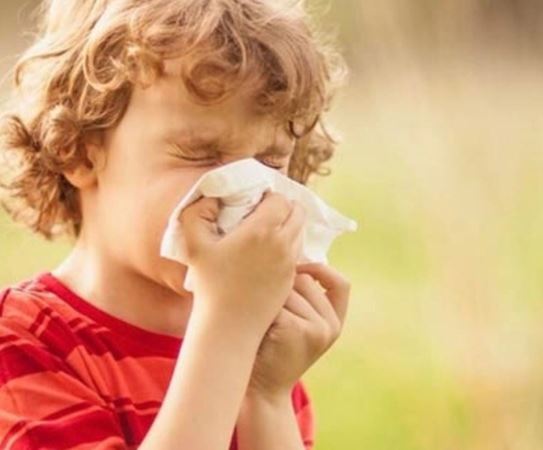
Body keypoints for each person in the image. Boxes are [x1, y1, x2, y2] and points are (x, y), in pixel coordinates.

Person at [0, 0, 351, 448]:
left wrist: (266, 397)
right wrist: (228, 326)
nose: (243, 190)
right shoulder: (24, 344)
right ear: (80, 150)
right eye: (201, 154)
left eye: (270, 161)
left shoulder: (265, 358)